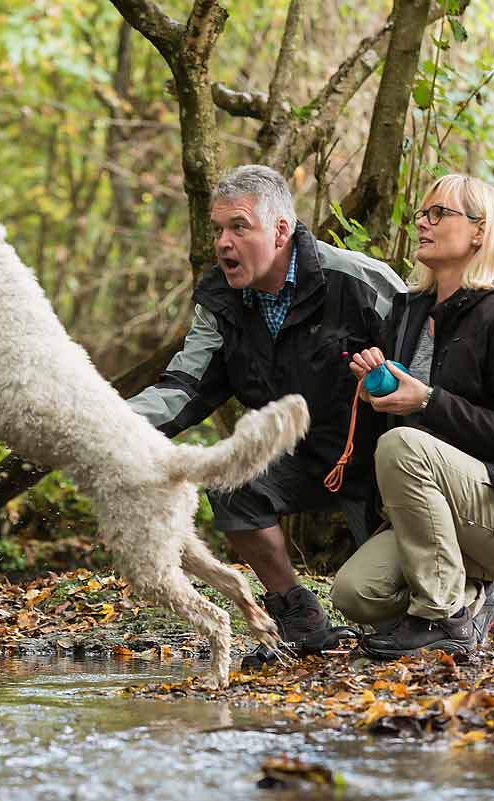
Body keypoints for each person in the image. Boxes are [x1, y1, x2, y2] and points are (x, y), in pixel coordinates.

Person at [127, 164, 405, 668]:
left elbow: (425, 376)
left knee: (390, 615)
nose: (223, 242)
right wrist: (111, 426)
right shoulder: (221, 301)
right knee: (231, 480)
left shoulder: (361, 283)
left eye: (238, 227)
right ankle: (298, 617)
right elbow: (184, 386)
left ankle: (467, 607)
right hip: (297, 461)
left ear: (280, 231)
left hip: (385, 463)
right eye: (217, 230)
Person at [331, 174, 494, 659]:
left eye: (438, 213)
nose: (422, 222)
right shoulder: (408, 313)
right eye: (421, 213)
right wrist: (374, 386)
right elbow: (400, 422)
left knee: (403, 447)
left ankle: (442, 617)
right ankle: (474, 602)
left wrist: (426, 401)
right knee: (354, 593)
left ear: (480, 232)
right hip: (440, 511)